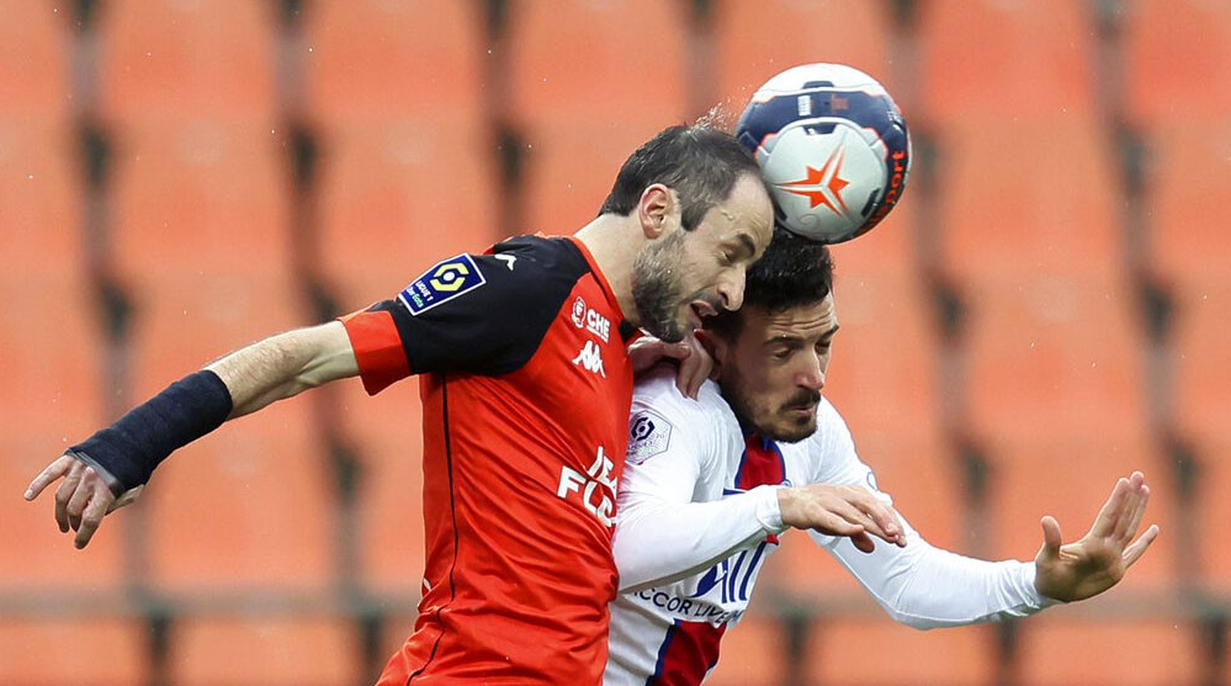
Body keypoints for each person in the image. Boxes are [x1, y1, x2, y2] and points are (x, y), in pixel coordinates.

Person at [24, 124, 775, 684]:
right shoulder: (521, 287)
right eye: (729, 253)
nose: (732, 291)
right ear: (655, 211)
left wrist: (641, 353)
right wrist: (130, 444)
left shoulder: (612, 341)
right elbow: (302, 358)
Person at [604, 230, 1160, 684]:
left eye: (823, 343)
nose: (814, 377)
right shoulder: (675, 409)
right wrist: (776, 506)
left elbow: (904, 578)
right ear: (713, 345)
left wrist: (1035, 587)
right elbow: (622, 550)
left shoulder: (810, 434)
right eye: (783, 350)